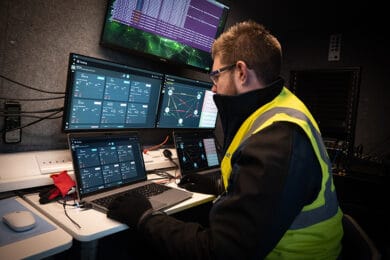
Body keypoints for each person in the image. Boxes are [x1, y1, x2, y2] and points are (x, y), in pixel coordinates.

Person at [107, 20, 343, 259]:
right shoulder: (279, 104)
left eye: (215, 76)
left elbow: (219, 252)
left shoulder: (276, 142)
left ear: (241, 72)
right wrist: (219, 186)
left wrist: (146, 217)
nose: (213, 89)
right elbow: (272, 194)